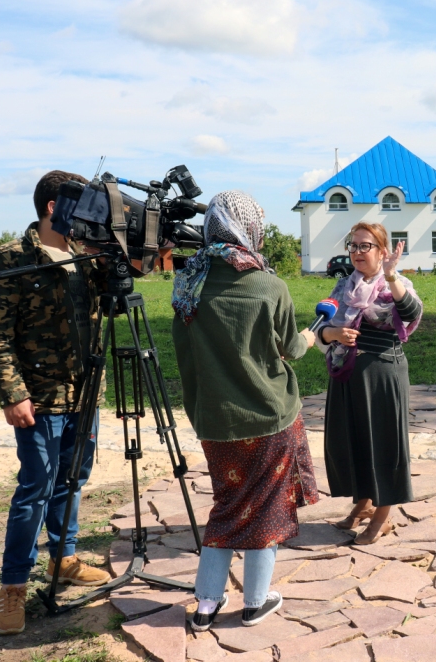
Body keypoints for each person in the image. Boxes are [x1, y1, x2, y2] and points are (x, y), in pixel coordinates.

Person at [171, 191, 319, 631]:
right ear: (249, 228)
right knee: (267, 507)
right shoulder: (269, 286)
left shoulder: (187, 288)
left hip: (214, 419)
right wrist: (315, 336)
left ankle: (206, 605)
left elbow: (185, 355)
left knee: (228, 506)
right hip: (269, 418)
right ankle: (256, 601)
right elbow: (291, 348)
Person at [0, 171, 110, 635]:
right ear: (55, 206)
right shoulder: (11, 259)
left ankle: (64, 558)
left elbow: (126, 292)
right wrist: (13, 394)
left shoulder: (86, 259)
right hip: (39, 398)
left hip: (86, 395)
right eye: (85, 204)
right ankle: (13, 586)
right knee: (36, 486)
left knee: (75, 479)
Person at [316, 222, 423, 545]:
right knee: (352, 442)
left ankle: (382, 517)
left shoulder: (397, 284)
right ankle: (362, 505)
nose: (357, 252)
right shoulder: (343, 287)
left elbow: (412, 312)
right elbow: (319, 328)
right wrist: (333, 334)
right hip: (346, 374)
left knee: (383, 444)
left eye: (365, 246)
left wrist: (391, 275)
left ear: (382, 251)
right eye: (353, 246)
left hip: (382, 375)